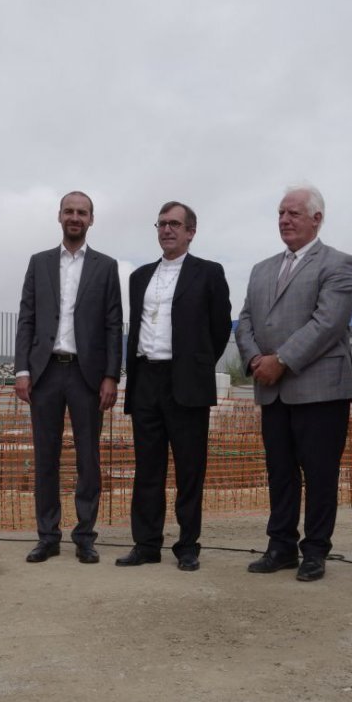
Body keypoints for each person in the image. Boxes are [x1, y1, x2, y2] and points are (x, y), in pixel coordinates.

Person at [235, 185, 352, 582]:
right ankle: (281, 546)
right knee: (280, 471)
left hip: (320, 389)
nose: (285, 220)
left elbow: (328, 323)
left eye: (294, 213)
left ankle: (316, 551)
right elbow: (246, 321)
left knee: (320, 474)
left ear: (316, 219)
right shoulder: (261, 269)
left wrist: (282, 361)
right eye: (280, 213)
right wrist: (256, 359)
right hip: (272, 392)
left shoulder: (339, 264)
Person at [117, 201, 231, 571]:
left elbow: (219, 329)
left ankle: (187, 546)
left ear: (190, 232)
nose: (167, 230)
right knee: (147, 469)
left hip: (186, 384)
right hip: (146, 381)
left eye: (175, 224)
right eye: (162, 224)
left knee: (189, 470)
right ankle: (146, 544)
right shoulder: (140, 277)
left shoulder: (208, 273)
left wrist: (196, 366)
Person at [14, 191, 123, 564]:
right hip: (44, 374)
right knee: (45, 458)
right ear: (59, 216)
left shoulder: (106, 267)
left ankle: (85, 536)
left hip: (86, 376)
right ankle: (47, 536)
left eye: (82, 212)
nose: (75, 217)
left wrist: (111, 375)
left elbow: (113, 324)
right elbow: (26, 317)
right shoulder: (39, 263)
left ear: (91, 219)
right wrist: (22, 370)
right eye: (69, 211)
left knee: (88, 460)